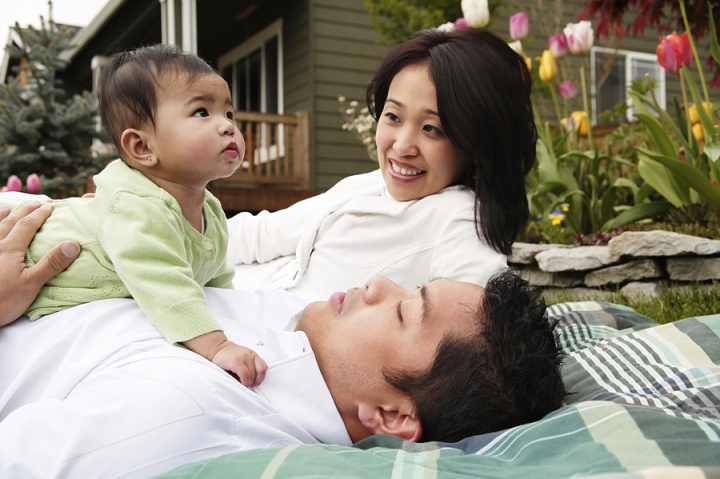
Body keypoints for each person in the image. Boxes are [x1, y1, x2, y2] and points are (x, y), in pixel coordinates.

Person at [0, 206, 565, 478]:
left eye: (402, 311)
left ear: (391, 417)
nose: (375, 283)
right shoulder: (297, 324)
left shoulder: (188, 409)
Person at [6, 44, 269, 386]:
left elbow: (219, 282)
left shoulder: (211, 211)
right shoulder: (137, 208)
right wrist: (216, 345)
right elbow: (163, 285)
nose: (228, 126)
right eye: (202, 112)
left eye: (229, 113)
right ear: (143, 147)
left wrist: (248, 322)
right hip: (24, 256)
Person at [227, 26, 536, 299]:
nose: (401, 146)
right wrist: (181, 236)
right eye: (393, 116)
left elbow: (468, 332)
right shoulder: (368, 184)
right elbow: (262, 234)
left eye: (432, 128)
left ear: (476, 143)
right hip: (217, 301)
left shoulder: (461, 222)